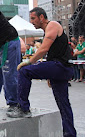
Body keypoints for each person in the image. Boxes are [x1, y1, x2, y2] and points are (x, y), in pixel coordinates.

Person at [8, 7, 76, 137]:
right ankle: (70, 134)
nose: (32, 21)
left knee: (24, 71)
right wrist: (50, 75)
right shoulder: (48, 30)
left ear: (41, 17)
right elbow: (53, 53)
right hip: (60, 68)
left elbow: (44, 49)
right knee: (63, 104)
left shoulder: (53, 25)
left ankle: (23, 108)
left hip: (60, 66)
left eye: (33, 18)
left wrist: (29, 62)